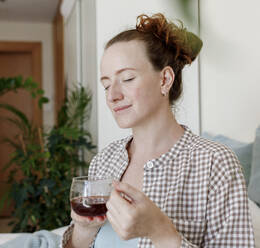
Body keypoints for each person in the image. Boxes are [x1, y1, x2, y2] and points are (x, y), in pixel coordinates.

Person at [61, 13, 255, 248]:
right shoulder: (104, 161)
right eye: (106, 85)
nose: (112, 96)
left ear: (164, 79)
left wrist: (160, 231)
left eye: (128, 78)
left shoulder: (215, 163)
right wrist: (82, 230)